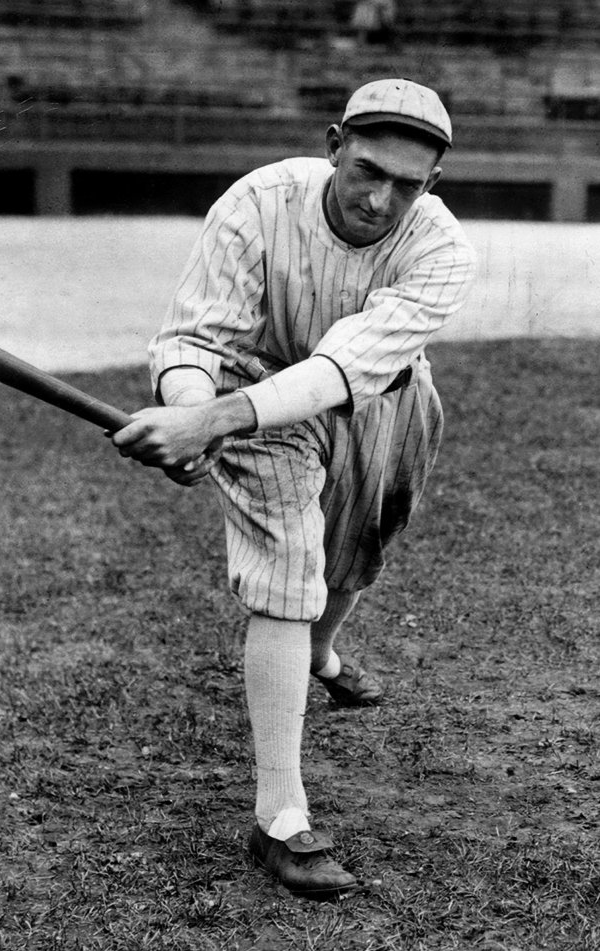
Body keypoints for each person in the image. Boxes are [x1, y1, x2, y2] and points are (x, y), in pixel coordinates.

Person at [112, 78, 477, 900]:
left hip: (381, 391)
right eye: (367, 170)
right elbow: (194, 335)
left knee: (359, 545)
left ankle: (320, 651)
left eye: (407, 185)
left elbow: (349, 366)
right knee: (285, 572)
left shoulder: (444, 250)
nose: (381, 199)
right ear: (333, 144)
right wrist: (190, 409)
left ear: (432, 186)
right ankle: (279, 813)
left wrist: (213, 421)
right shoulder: (255, 203)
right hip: (253, 389)